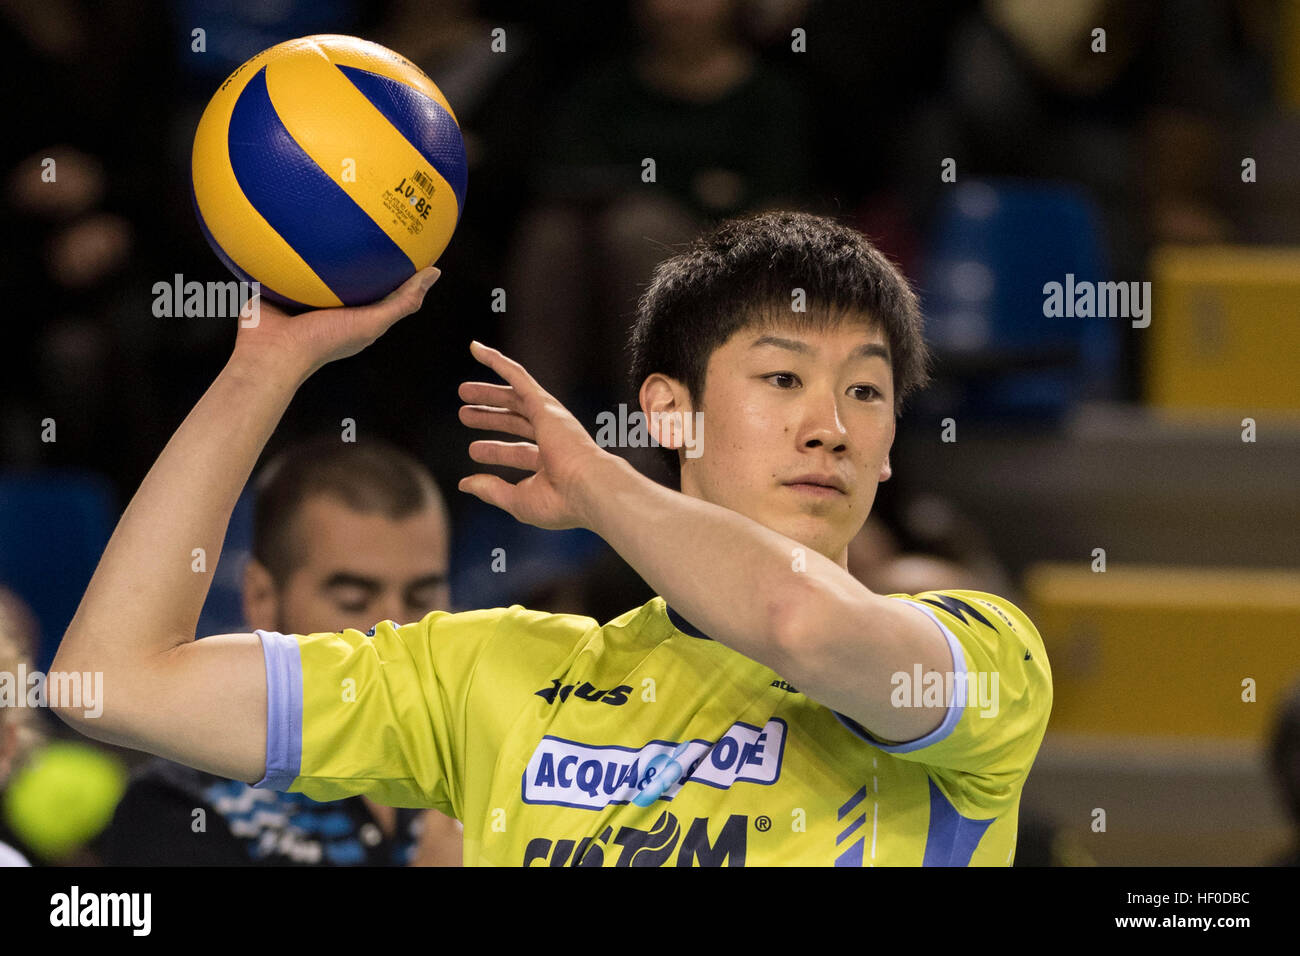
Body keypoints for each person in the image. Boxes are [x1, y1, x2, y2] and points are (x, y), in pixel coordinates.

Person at [51, 211, 1052, 866]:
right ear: (670, 410)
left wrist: (598, 482)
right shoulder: (493, 672)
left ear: (887, 452)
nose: (829, 423)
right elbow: (112, 677)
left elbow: (798, 619)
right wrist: (262, 371)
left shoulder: (979, 651)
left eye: (865, 392)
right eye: (783, 378)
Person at [102, 438, 463, 866]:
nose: (396, 629)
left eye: (421, 597)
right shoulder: (180, 805)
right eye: (353, 600)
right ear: (262, 598)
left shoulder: (502, 764)